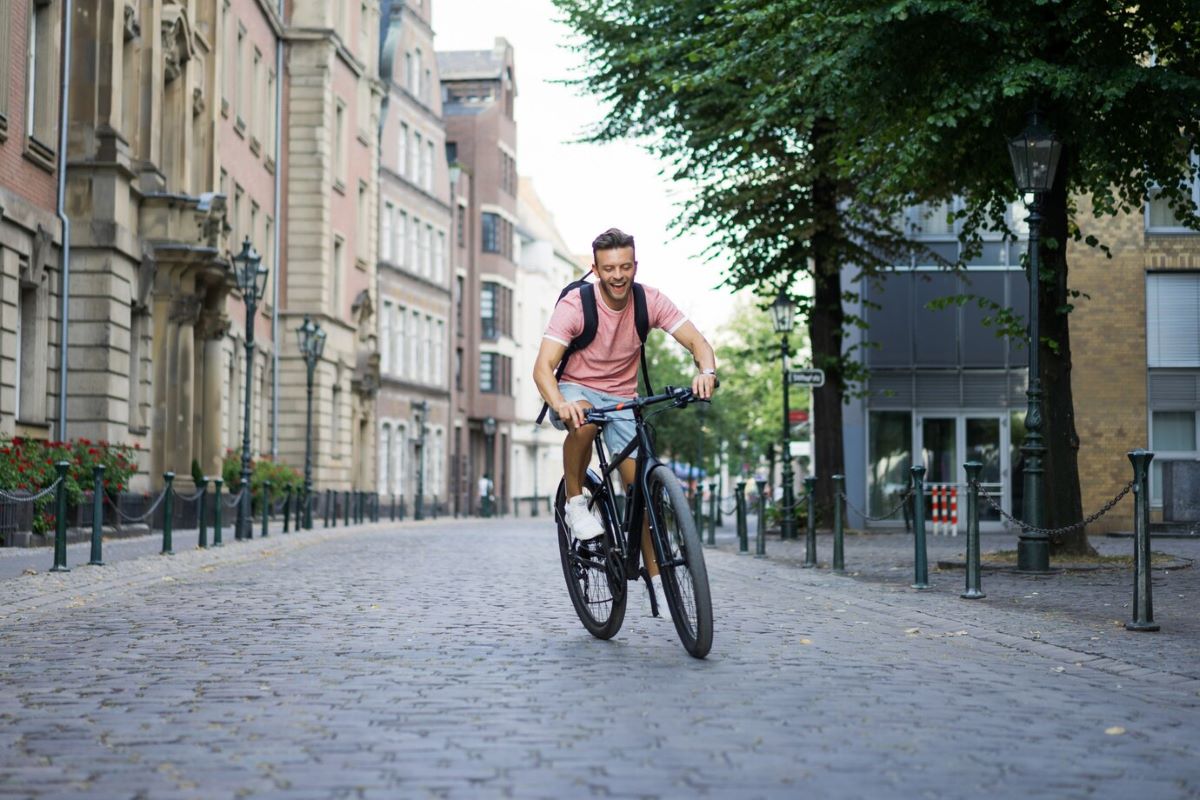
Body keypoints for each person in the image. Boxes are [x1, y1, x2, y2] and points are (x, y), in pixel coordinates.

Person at [533, 227, 717, 618]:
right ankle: (576, 502)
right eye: (609, 268)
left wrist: (706, 371)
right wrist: (560, 403)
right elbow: (543, 369)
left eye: (625, 266)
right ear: (595, 269)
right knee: (582, 421)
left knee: (642, 491)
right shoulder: (575, 305)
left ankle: (656, 578)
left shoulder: (648, 301)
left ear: (635, 265)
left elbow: (699, 343)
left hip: (623, 399)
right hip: (574, 387)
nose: (618, 275)